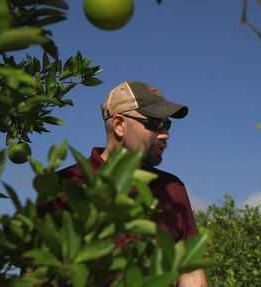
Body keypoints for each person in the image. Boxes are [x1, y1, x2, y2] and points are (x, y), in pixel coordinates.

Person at [57, 80, 208, 287]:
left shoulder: (173, 188)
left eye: (167, 124)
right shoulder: (68, 184)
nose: (165, 134)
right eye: (155, 124)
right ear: (119, 125)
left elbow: (190, 272)